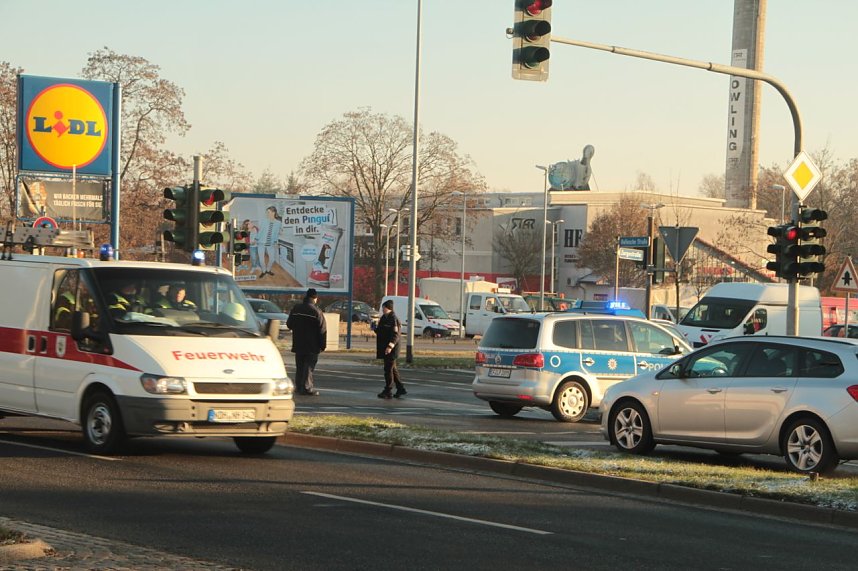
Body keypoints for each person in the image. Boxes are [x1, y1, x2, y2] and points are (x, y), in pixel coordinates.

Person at [286, 288, 327, 396]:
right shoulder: (317, 311)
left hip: (298, 343)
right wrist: (322, 345)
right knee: (309, 366)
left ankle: (299, 387)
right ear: (315, 298)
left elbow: (289, 324)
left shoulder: (296, 308)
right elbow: (322, 330)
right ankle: (307, 387)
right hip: (312, 345)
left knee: (299, 366)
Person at [376, 299, 406, 399]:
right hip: (385, 347)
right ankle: (400, 388)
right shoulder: (384, 318)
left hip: (391, 348)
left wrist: (390, 346)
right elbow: (381, 331)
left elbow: (395, 335)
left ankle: (388, 390)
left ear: (388, 308)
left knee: (388, 369)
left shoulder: (393, 319)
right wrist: (374, 328)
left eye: (384, 307)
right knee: (393, 369)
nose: (382, 309)